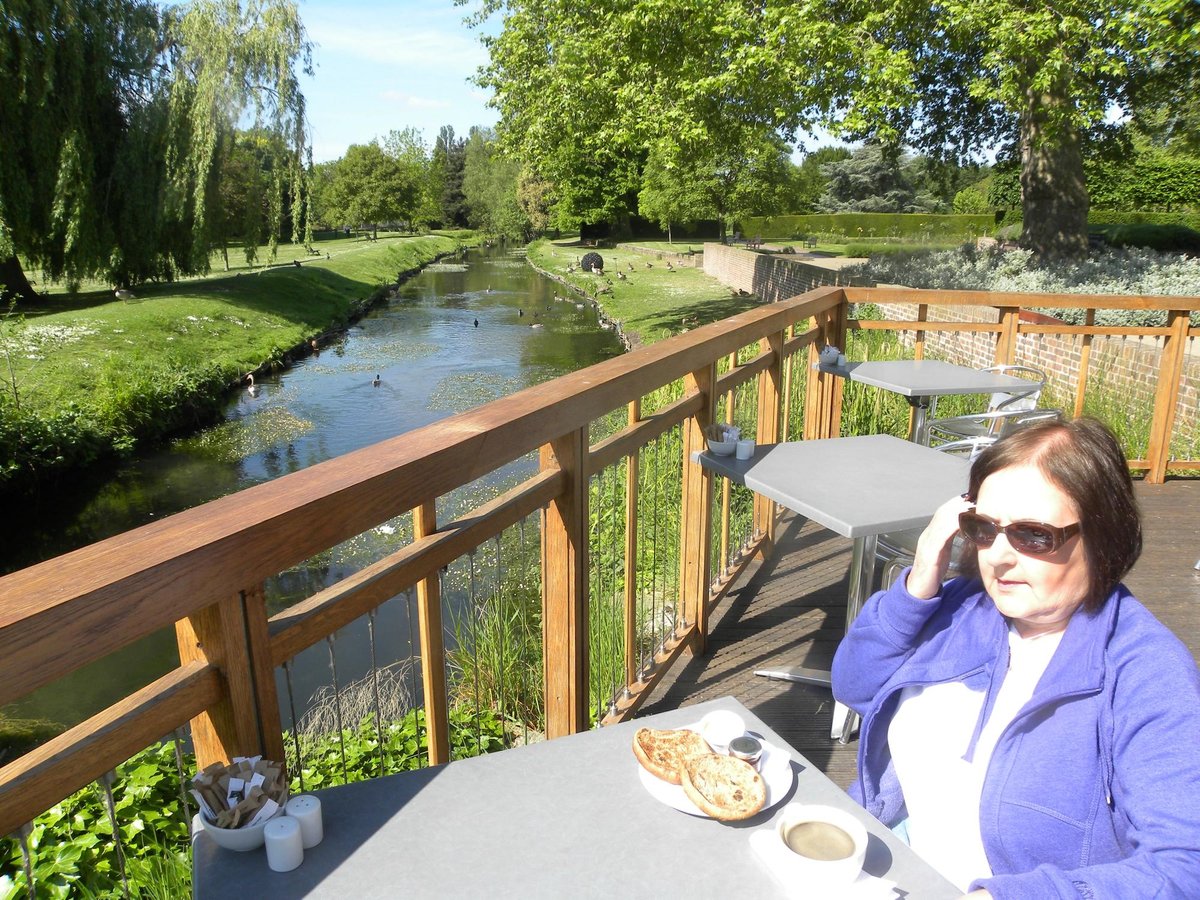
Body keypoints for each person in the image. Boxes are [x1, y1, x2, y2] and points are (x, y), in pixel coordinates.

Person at [831, 417, 1200, 898]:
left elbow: (1184, 866)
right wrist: (920, 579)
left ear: (1103, 535)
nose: (997, 558)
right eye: (983, 529)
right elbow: (854, 685)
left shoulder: (1147, 675)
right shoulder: (963, 608)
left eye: (1033, 534)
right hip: (894, 859)